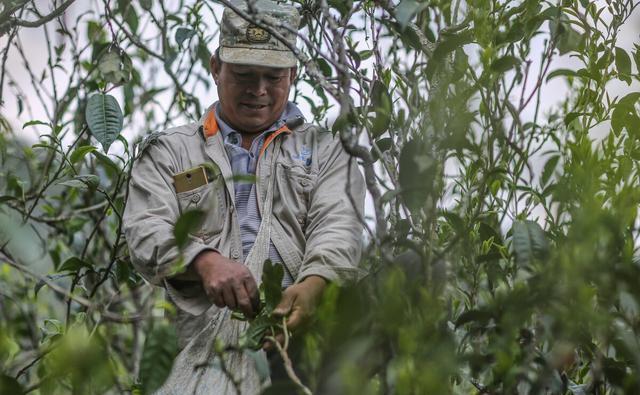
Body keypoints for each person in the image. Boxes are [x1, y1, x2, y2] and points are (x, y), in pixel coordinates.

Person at [123, 0, 365, 393]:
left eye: (273, 76)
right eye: (244, 75)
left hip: (301, 346)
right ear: (215, 67)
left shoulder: (327, 151)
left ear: (293, 73)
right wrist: (203, 260)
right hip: (202, 351)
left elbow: (338, 225)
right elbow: (145, 228)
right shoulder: (170, 152)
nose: (259, 90)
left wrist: (313, 286)